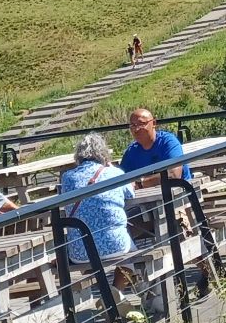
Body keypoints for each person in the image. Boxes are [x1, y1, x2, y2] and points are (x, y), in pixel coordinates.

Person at [58, 133, 136, 287]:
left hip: (79, 252)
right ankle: (116, 292)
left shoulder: (67, 177)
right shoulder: (114, 173)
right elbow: (130, 194)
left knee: (90, 253)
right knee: (131, 258)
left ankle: (104, 293)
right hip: (116, 245)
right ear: (104, 154)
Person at [121, 107, 188, 191]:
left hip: (180, 193)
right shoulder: (131, 152)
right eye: (133, 125)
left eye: (141, 124)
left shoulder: (168, 142)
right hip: (147, 196)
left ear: (153, 123)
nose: (136, 129)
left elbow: (174, 175)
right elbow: (120, 179)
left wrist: (140, 183)